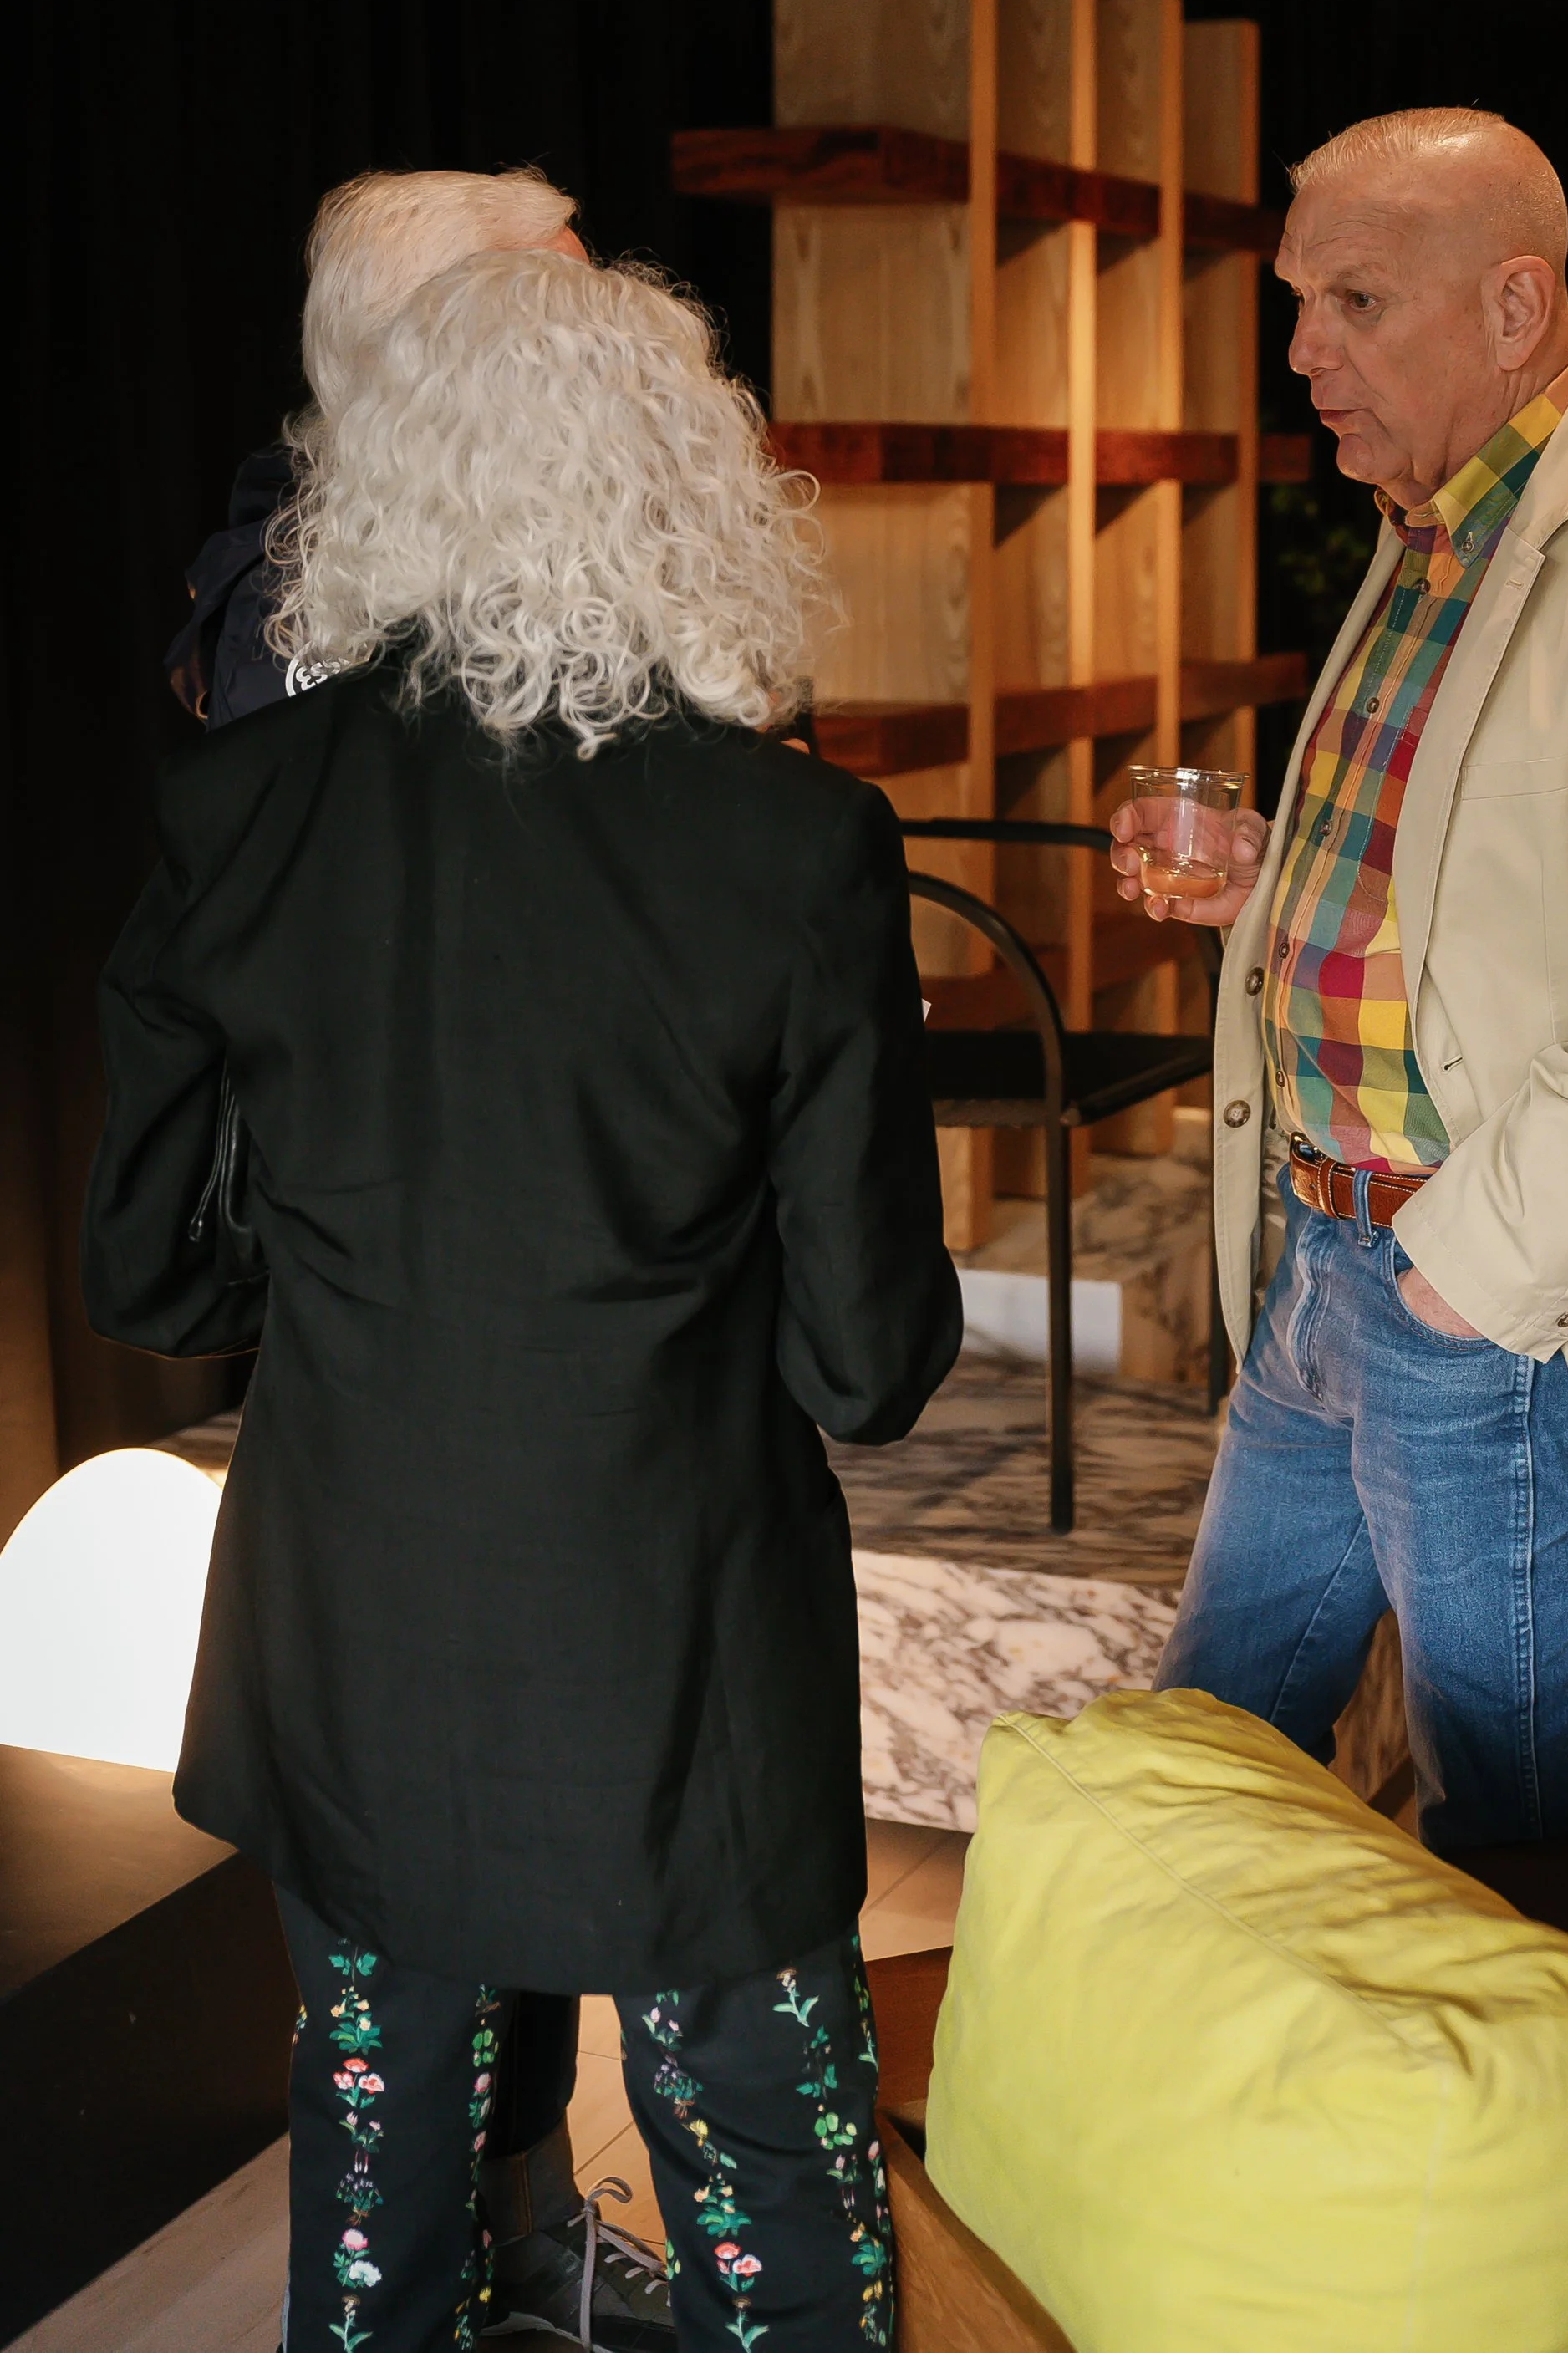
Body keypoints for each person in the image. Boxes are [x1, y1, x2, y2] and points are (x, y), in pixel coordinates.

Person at [85, 242, 961, 2350]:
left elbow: (149, 1263)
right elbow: (865, 1355)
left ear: (379, 485)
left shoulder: (239, 802)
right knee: (761, 2153)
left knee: (382, 2150)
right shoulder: (795, 848)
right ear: (688, 488)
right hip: (672, 1649)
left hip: (352, 1623)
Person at [1111, 106, 1568, 1856]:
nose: (1302, 350)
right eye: (1299, 302)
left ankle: (1527, 2133)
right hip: (1322, 1266)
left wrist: (1467, 1272)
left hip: (1483, 1297)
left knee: (1507, 1830)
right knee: (1203, 1755)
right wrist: (1261, 898)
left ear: (1514, 307)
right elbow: (1459, 891)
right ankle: (1195, 2110)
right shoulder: (1418, 531)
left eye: (1354, 301)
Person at [165, 168, 678, 2350]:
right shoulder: (296, 602)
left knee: (519, 1857)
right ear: (420, 345)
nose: (612, 354)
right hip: (393, 1376)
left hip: (551, 1350)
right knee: (394, 1937)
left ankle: (526, 2245)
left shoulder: (525, 567)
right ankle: (409, 2295)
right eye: (555, 318)